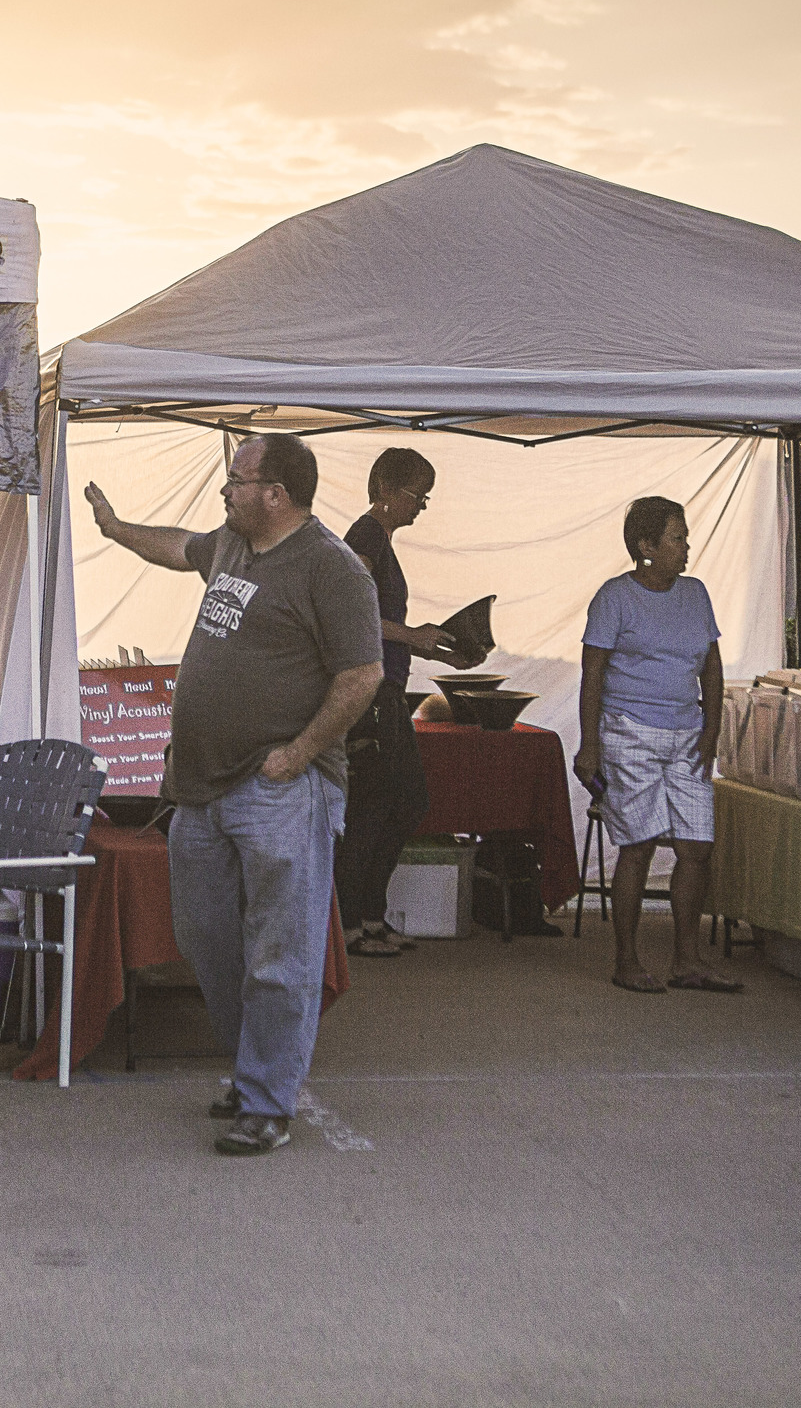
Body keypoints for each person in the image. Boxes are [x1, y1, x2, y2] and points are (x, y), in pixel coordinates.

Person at [85, 433, 383, 1156]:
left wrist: (299, 753)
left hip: (275, 785)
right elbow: (178, 544)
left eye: (236, 479)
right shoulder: (232, 546)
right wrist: (116, 528)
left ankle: (267, 1099)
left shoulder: (331, 567)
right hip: (202, 788)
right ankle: (255, 1071)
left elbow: (363, 675)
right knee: (205, 937)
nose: (225, 489)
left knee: (280, 950)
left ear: (275, 493)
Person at [575, 496, 738, 995]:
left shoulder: (696, 594)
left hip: (687, 735)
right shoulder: (613, 597)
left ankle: (686, 961)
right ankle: (627, 961)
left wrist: (710, 733)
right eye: (676, 538)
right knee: (639, 845)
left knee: (697, 847)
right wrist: (590, 746)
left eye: (685, 537)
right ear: (645, 546)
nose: (686, 547)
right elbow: (593, 674)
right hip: (628, 732)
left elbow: (711, 667)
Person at [336, 447, 485, 958]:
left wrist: (435, 643)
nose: (422, 505)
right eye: (416, 494)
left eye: (425, 496)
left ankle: (371, 916)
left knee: (402, 803)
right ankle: (351, 922)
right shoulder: (364, 537)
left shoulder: (379, 539)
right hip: (369, 690)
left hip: (387, 686)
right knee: (377, 806)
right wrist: (411, 635)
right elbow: (347, 615)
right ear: (385, 489)